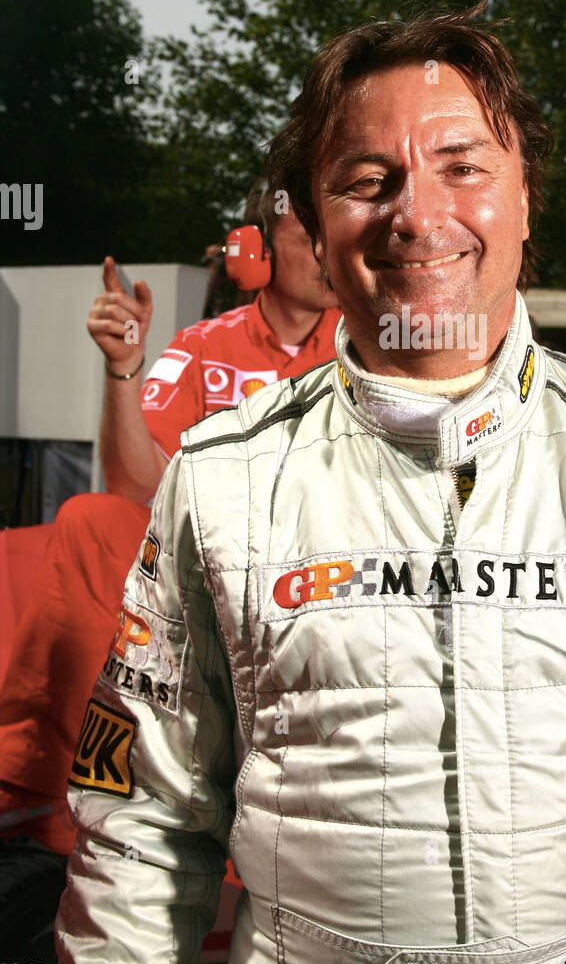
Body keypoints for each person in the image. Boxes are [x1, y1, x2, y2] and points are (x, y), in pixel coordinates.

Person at [55, 6, 566, 964]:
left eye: (462, 167)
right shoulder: (222, 476)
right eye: (366, 180)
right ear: (316, 224)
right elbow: (142, 832)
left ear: (524, 199)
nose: (417, 214)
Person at [0, 186, 340, 854]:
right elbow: (136, 485)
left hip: (324, 566)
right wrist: (124, 370)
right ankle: (51, 794)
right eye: (311, 238)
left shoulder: (368, 346)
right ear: (256, 253)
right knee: (92, 519)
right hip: (210, 568)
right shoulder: (202, 346)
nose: (330, 253)